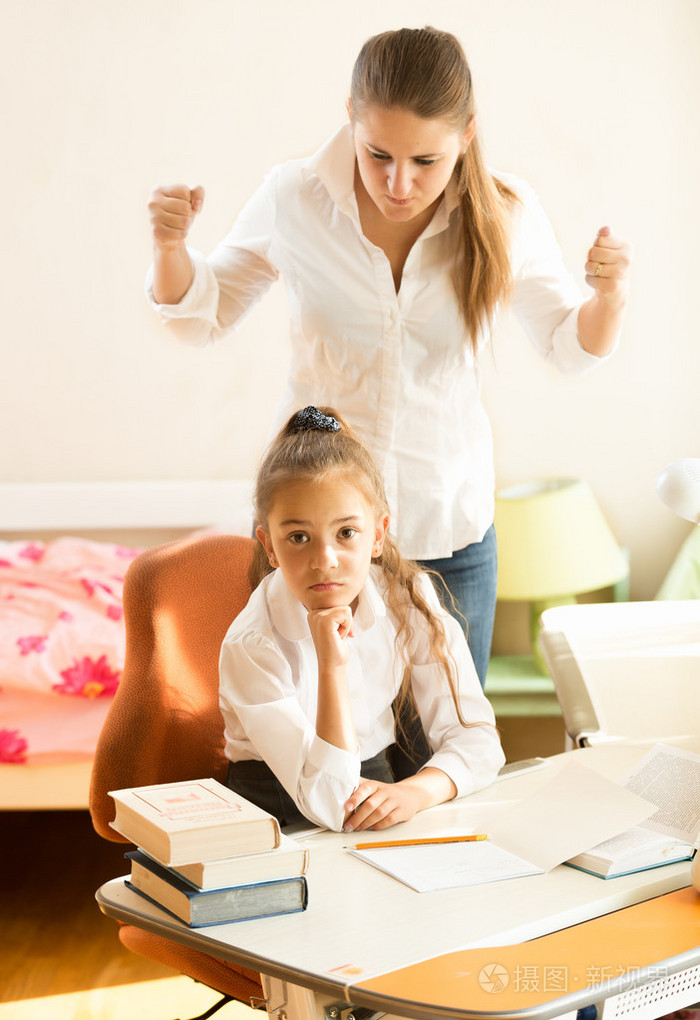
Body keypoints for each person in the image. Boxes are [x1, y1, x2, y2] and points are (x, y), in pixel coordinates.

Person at [146, 26, 632, 687]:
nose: (398, 184)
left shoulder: (507, 213)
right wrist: (170, 249)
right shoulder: (294, 197)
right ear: (350, 115)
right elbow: (202, 316)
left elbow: (569, 347)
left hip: (448, 538)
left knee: (450, 741)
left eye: (425, 161)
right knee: (313, 739)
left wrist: (610, 298)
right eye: (377, 154)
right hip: (315, 541)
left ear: (466, 134)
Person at [218, 406, 505, 833]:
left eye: (346, 532)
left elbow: (479, 741)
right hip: (276, 815)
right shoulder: (253, 644)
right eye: (299, 537)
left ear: (378, 533)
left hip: (377, 793)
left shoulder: (406, 598)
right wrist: (331, 665)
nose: (325, 560)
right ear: (269, 545)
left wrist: (415, 792)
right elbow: (332, 804)